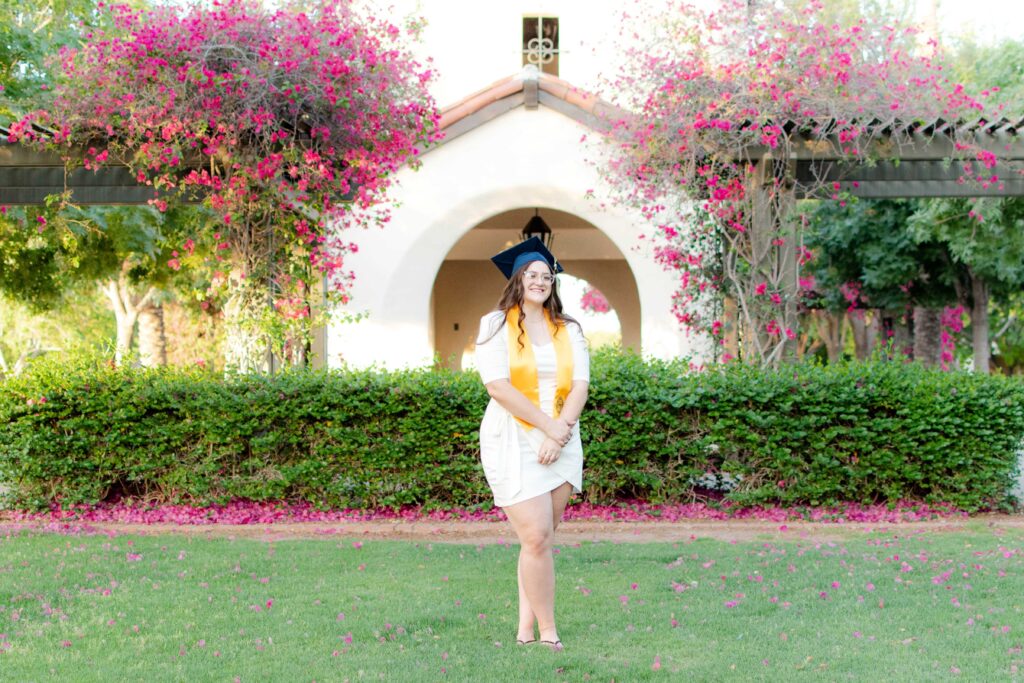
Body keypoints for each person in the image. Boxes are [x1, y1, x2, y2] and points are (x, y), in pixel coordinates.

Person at [474, 236, 589, 651]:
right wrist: (547, 428)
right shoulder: (494, 324)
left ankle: (525, 630)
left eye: (546, 276)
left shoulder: (569, 328)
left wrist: (561, 430)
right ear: (518, 280)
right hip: (514, 436)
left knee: (538, 540)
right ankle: (548, 633)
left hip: (563, 435)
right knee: (537, 535)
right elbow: (498, 387)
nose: (540, 281)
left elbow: (580, 385)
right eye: (532, 275)